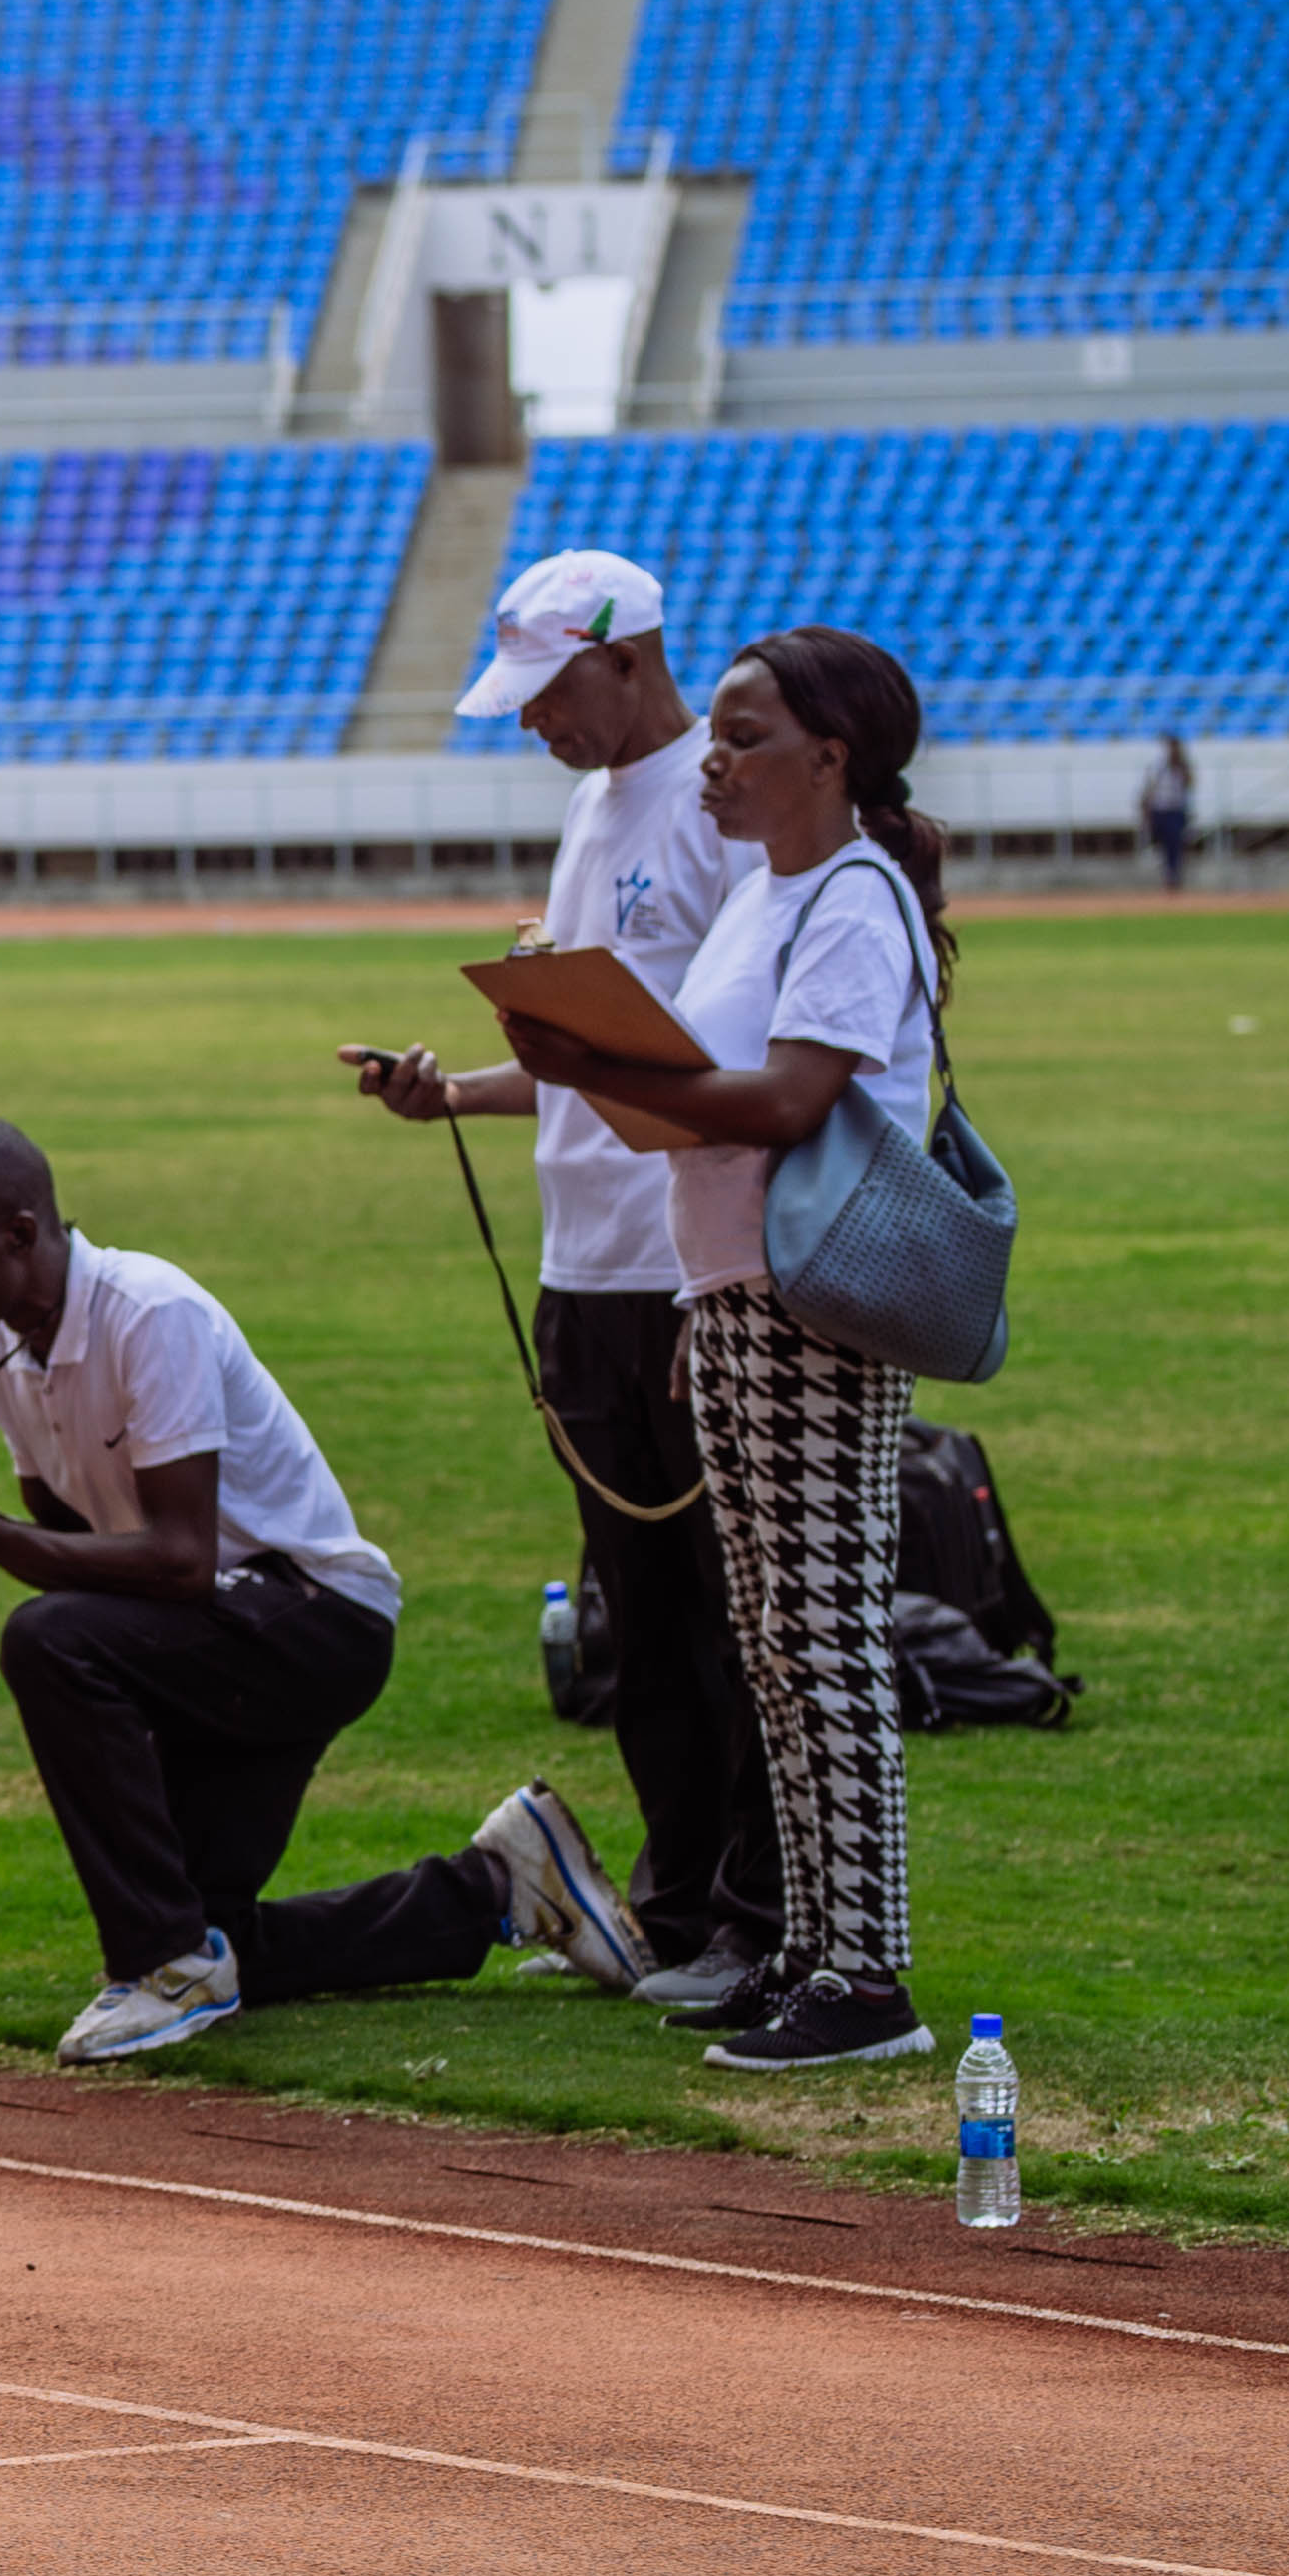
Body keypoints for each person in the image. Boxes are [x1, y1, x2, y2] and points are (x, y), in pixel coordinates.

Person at [0, 1118, 646, 2063]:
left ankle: (165, 1970)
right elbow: (79, 1551)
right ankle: (501, 1881)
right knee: (213, 1931)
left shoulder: (146, 1312)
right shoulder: (4, 1346)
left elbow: (177, 1560)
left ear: (17, 1235)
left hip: (316, 1619)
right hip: (225, 1627)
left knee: (46, 1644)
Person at [497, 630, 957, 2074]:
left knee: (821, 1643)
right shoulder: (770, 895)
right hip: (734, 1291)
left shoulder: (852, 894)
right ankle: (803, 1948)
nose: (715, 756)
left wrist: (601, 1063)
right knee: (766, 1639)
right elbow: (715, 1098)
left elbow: (783, 1100)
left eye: (745, 736)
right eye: (719, 734)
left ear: (829, 757)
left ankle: (866, 1975)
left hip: (812, 1297)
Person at [342, 549, 778, 2012]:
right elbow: (587, 1065)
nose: (534, 726)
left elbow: (735, 1060)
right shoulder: (592, 812)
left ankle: (754, 1918)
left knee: (732, 1614)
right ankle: (669, 1902)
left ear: (630, 655)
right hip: (580, 1263)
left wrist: (712, 1282)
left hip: (683, 1264)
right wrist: (448, 1093)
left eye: (547, 694)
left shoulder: (721, 811)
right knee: (637, 1615)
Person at [1141, 734, 1196, 893]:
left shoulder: (1182, 766)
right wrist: (1146, 808)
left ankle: (1174, 877)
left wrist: (1180, 766)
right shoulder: (1158, 766)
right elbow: (1150, 787)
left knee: (1176, 844)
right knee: (1163, 845)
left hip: (1175, 810)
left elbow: (1190, 784)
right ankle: (1168, 874)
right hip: (1160, 810)